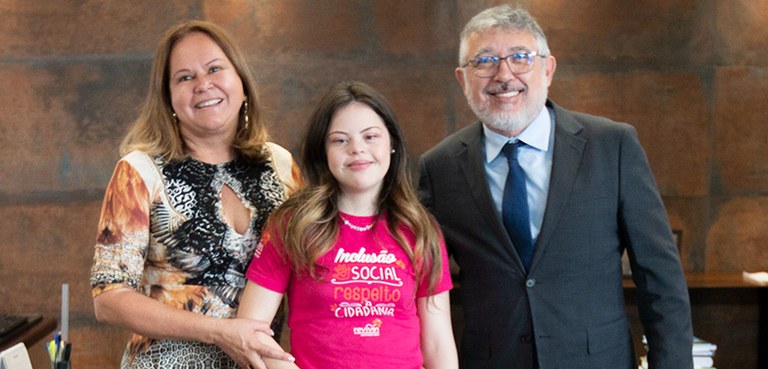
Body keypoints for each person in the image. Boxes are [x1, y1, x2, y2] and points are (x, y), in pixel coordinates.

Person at [417, 5, 693, 369]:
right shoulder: (439, 167)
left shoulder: (613, 146)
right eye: (484, 61)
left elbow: (660, 278)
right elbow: (420, 284)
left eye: (520, 57)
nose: (504, 74)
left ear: (548, 69)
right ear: (461, 79)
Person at [89, 20, 300, 369]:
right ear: (169, 98)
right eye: (185, 77)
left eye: (215, 69)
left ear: (243, 84)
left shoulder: (280, 165)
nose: (203, 84)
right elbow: (109, 299)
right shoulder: (139, 171)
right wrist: (219, 332)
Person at [237, 80, 459, 369]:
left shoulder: (420, 229)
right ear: (323, 152)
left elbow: (439, 345)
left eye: (370, 137)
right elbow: (251, 330)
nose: (357, 149)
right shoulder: (293, 224)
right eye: (340, 140)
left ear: (391, 144)